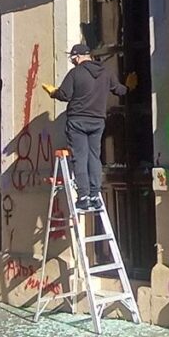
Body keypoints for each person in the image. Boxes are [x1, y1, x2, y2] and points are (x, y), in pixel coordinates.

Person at [43, 44, 134, 211]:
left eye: (72, 58)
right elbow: (120, 90)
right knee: (94, 157)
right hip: (97, 121)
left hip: (77, 121)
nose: (72, 61)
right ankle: (95, 194)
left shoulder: (75, 73)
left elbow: (65, 95)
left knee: (80, 158)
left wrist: (53, 92)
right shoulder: (106, 72)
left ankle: (83, 197)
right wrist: (129, 86)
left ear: (77, 57)